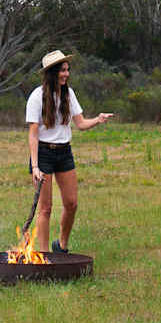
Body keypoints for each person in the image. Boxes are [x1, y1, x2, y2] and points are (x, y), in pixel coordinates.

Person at [26, 50, 114, 254]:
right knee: (45, 208)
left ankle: (61, 246)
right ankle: (44, 255)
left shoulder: (69, 94)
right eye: (62, 71)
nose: (66, 74)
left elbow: (81, 123)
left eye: (67, 70)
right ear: (51, 73)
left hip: (64, 152)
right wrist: (36, 166)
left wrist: (98, 119)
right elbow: (32, 135)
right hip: (44, 153)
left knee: (72, 203)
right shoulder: (37, 97)